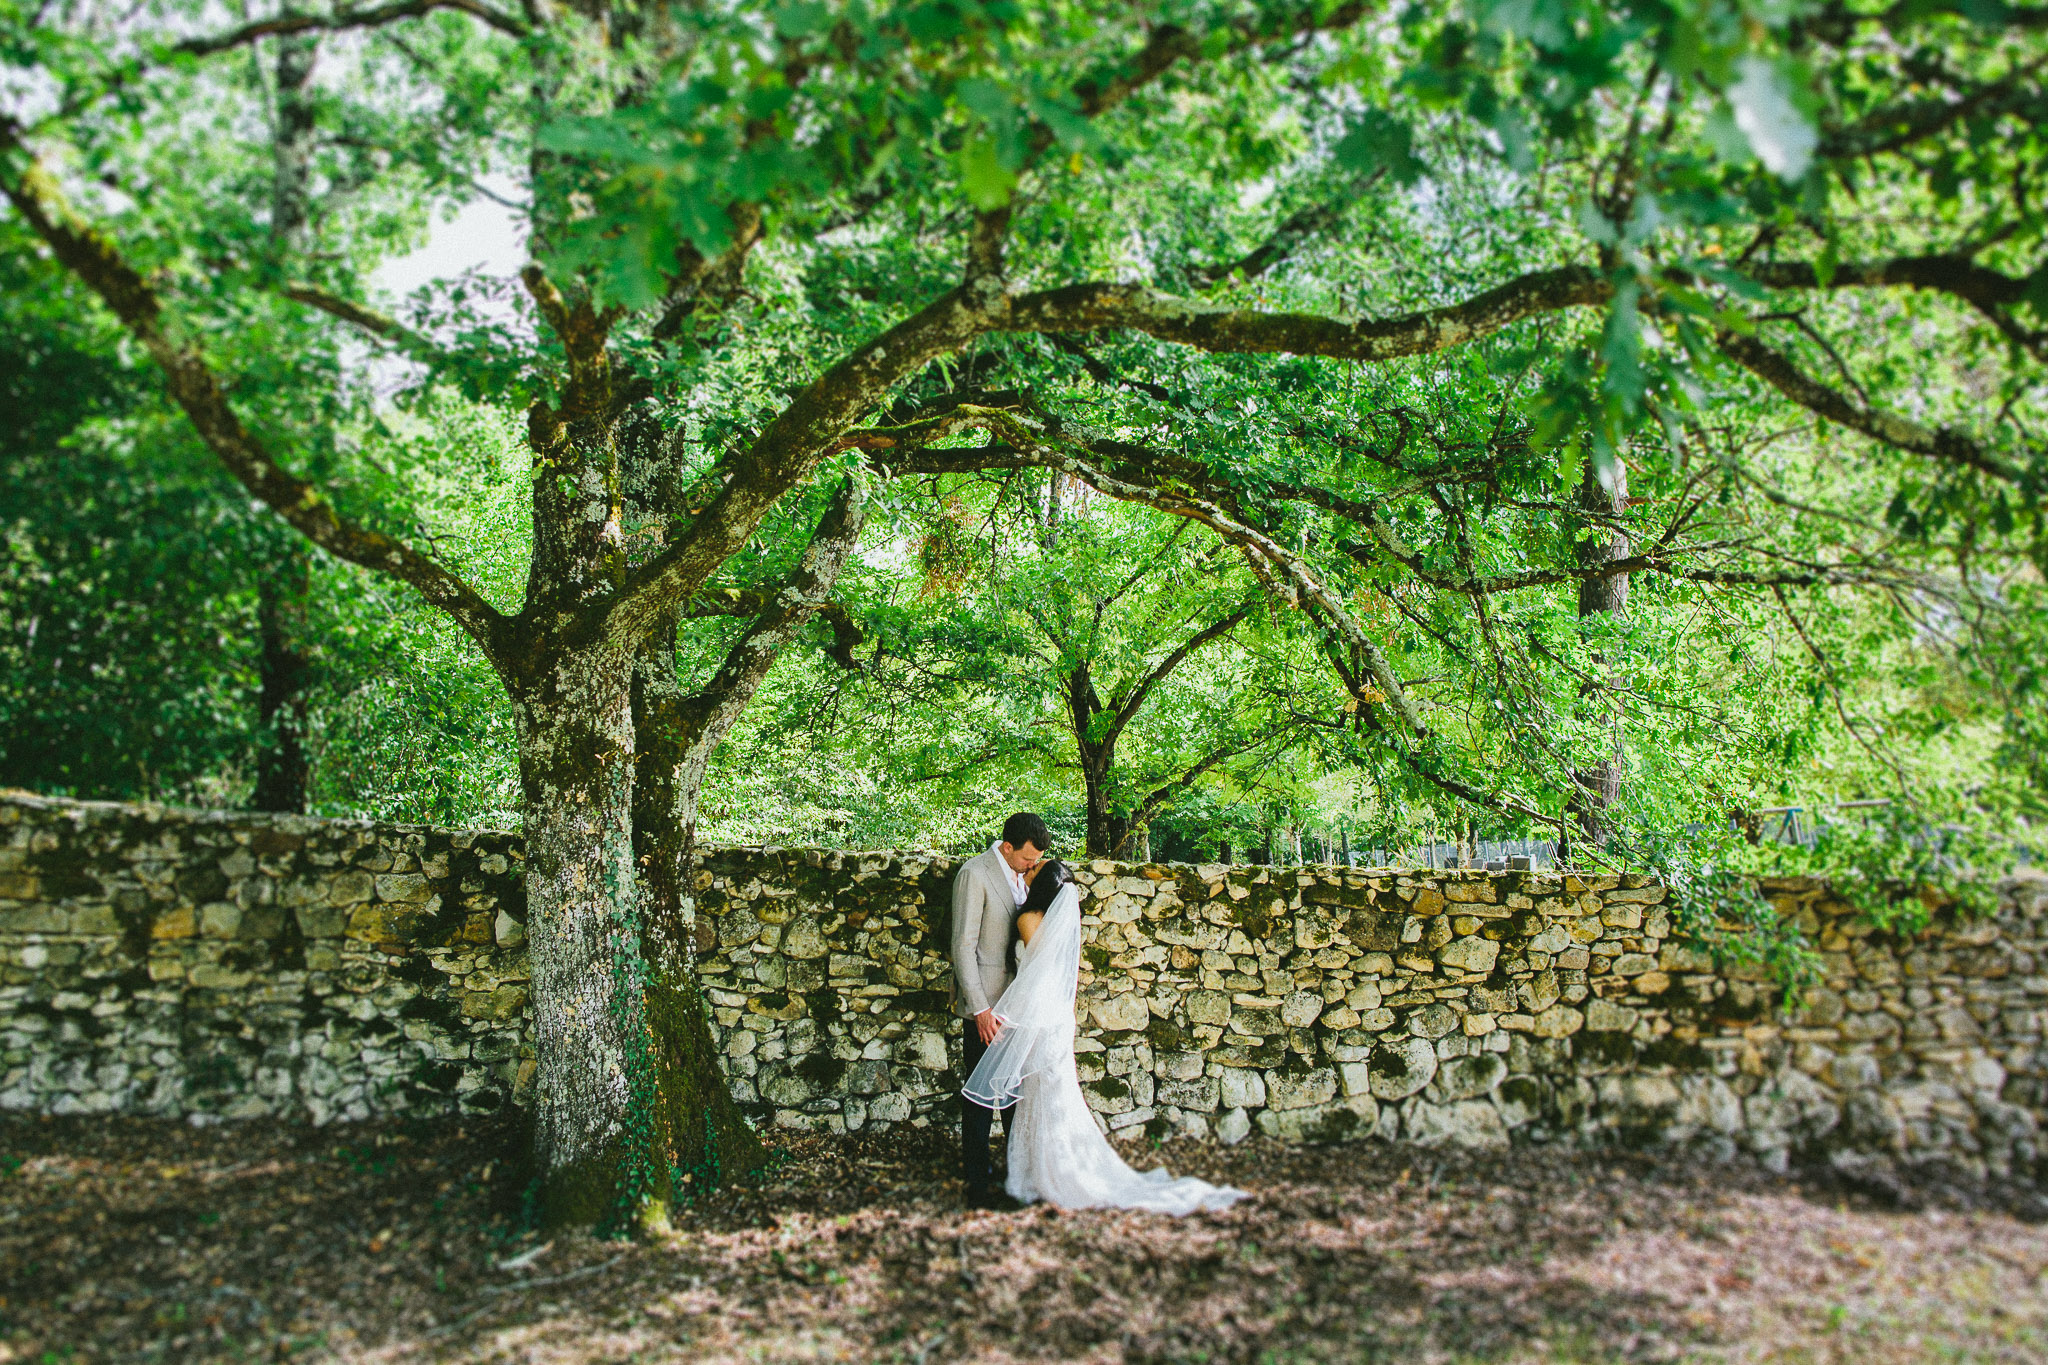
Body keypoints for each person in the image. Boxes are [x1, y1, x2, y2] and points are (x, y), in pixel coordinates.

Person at [964, 856, 1250, 1216]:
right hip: (1053, 1018)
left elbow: (1035, 979)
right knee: (1050, 1095)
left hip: (1038, 1019)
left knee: (1041, 1095)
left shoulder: (1028, 919)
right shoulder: (1053, 922)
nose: (1028, 869)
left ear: (1043, 884)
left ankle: (1046, 1174)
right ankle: (1048, 1169)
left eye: (1035, 868)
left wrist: (1006, 1017)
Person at [949, 812, 1048, 1208]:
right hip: (986, 1009)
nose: (1031, 865)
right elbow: (962, 947)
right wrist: (980, 1010)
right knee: (979, 1098)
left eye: (1036, 860)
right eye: (1027, 858)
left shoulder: (1026, 875)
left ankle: (1014, 1178)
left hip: (1017, 1006)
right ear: (1007, 847)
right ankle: (977, 1184)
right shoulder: (974, 874)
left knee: (1013, 1094)